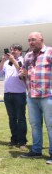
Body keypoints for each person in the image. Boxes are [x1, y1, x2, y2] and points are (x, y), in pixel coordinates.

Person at [19, 32, 52, 165]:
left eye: (33, 40)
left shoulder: (50, 52)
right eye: (29, 40)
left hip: (48, 95)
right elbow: (23, 73)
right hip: (31, 96)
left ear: (41, 40)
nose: (31, 42)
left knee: (51, 125)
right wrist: (22, 74)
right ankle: (36, 150)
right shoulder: (27, 56)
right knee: (35, 125)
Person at [0, 44, 27, 149]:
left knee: (21, 118)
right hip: (8, 94)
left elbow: (22, 73)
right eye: (11, 50)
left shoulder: (24, 61)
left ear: (20, 51)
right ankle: (14, 139)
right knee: (12, 118)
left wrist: (13, 60)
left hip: (19, 93)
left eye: (15, 50)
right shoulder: (6, 62)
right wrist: (2, 60)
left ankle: (22, 141)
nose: (12, 51)